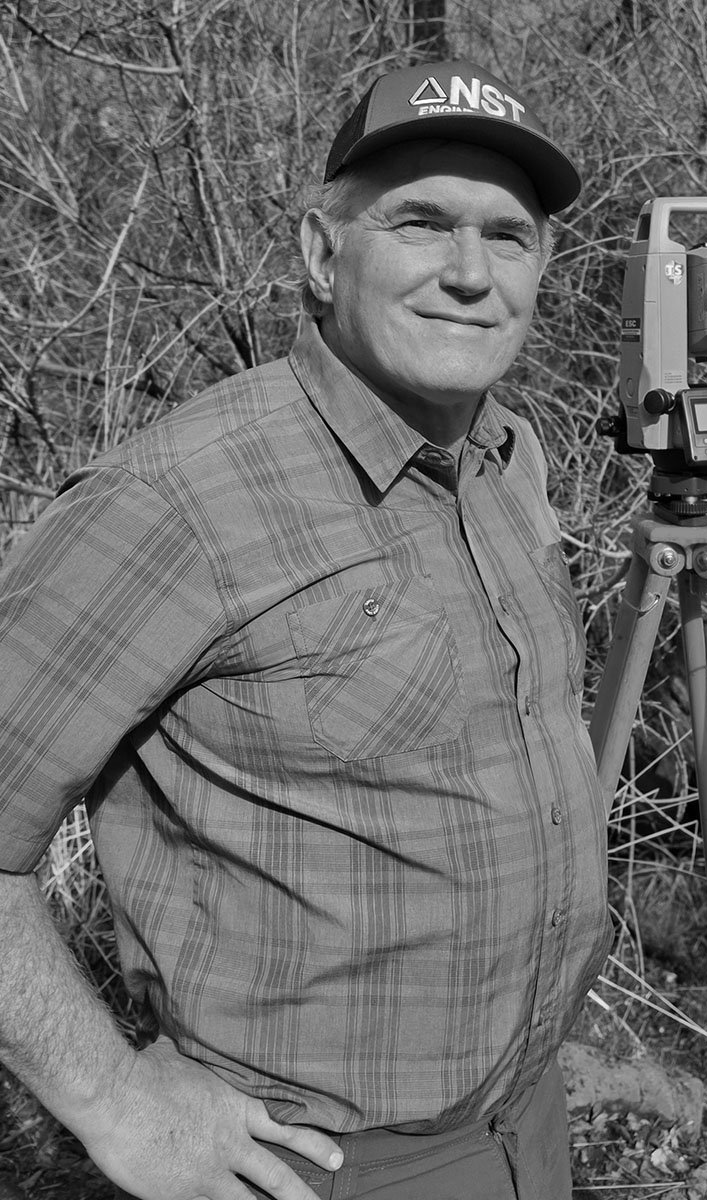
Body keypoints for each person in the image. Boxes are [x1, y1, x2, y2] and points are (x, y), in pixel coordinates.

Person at [0, 59, 612, 1200]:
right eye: (421, 222)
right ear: (324, 254)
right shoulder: (175, 500)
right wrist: (113, 1102)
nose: (471, 275)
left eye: (508, 235)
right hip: (314, 1169)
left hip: (529, 1125)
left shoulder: (509, 461)